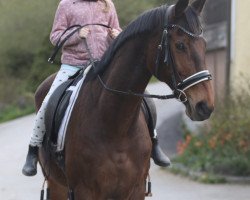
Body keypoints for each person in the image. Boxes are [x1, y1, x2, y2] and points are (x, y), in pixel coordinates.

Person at [22, 0, 170, 177]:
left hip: (105, 64)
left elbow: (118, 32)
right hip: (73, 65)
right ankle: (33, 149)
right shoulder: (67, 5)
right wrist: (77, 34)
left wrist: (117, 35)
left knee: (142, 96)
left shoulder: (107, 4)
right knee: (48, 102)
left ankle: (154, 144)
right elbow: (55, 37)